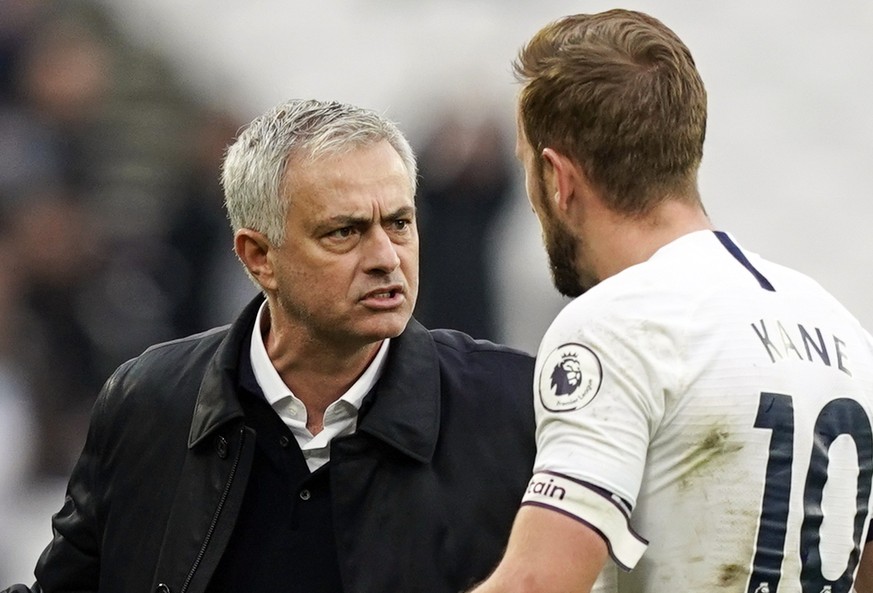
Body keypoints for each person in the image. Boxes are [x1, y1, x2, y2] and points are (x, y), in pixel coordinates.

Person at [3, 98, 537, 593]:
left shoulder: (512, 408)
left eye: (399, 224)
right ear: (259, 257)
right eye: (344, 232)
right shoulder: (149, 400)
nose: (386, 258)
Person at [468, 9, 873, 593]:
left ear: (558, 179)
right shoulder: (843, 332)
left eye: (527, 167)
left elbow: (537, 583)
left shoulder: (616, 326)